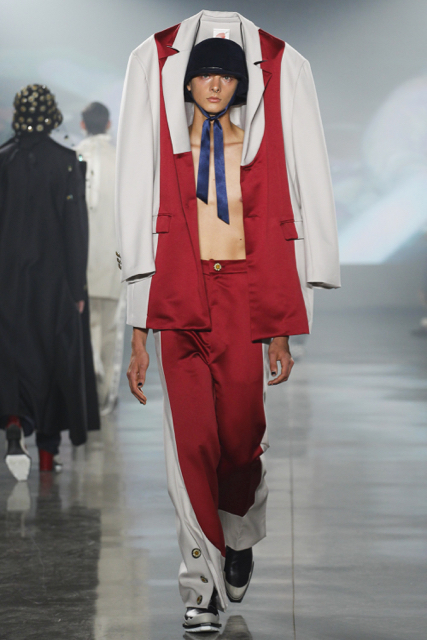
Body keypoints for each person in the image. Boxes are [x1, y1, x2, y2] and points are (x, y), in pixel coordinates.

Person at [116, 11, 340, 634]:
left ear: (240, 86)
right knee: (191, 447)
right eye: (204, 75)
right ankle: (200, 587)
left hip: (243, 303)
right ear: (186, 82)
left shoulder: (258, 149)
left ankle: (238, 531)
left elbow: (279, 230)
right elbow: (143, 225)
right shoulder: (169, 153)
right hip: (180, 300)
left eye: (226, 76)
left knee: (241, 442)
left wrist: (281, 328)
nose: (214, 84)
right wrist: (137, 330)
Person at [0, 84, 91, 480]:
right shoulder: (68, 162)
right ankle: (49, 454)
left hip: (6, 279)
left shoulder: (2, 160)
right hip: (54, 280)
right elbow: (75, 229)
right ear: (52, 115)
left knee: (12, 355)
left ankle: (14, 420)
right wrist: (77, 286)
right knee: (54, 357)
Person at [76, 103, 125, 415]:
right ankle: (104, 394)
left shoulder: (71, 158)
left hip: (78, 263)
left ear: (82, 125)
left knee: (82, 331)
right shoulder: (122, 160)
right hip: (113, 260)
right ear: (108, 124)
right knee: (109, 331)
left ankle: (85, 393)